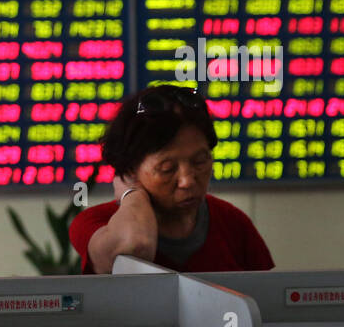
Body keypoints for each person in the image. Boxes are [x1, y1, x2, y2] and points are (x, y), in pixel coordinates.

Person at [70, 84, 274, 274]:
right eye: (167, 169)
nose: (187, 181)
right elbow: (134, 245)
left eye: (200, 161)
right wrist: (131, 193)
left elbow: (269, 304)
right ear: (131, 169)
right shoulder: (97, 222)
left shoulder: (233, 223)